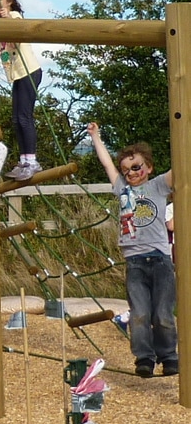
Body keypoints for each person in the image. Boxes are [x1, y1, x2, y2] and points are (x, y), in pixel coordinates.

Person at [86, 123, 178, 378]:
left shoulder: (158, 186)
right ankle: (144, 358)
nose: (131, 173)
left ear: (148, 167)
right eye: (126, 170)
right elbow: (106, 164)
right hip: (134, 262)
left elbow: (181, 164)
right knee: (139, 314)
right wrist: (96, 137)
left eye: (136, 167)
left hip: (160, 260)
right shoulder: (122, 189)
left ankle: (169, 356)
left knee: (162, 314)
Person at [0, 0, 44, 180]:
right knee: (16, 119)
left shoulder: (15, 17)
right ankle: (24, 159)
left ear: (9, 1)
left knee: (24, 116)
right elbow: (3, 54)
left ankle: (32, 161)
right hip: (17, 75)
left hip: (28, 71)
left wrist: (7, 18)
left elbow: (18, 37)